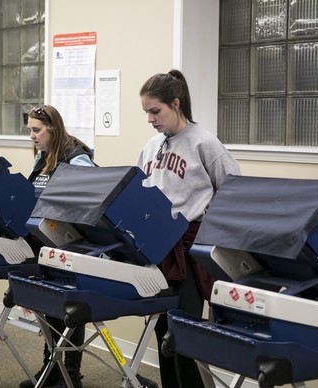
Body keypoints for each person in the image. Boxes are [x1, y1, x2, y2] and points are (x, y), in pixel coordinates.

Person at [137, 69, 241, 388]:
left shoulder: (205, 143)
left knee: (184, 332)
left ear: (176, 104)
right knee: (162, 330)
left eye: (156, 111)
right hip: (157, 247)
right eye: (147, 113)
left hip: (189, 248)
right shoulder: (150, 148)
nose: (151, 119)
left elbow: (234, 190)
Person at [19, 105, 95, 388]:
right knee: (48, 307)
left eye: (36, 130)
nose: (31, 136)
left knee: (70, 312)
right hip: (44, 244)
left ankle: (71, 376)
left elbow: (89, 206)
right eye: (29, 130)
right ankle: (51, 369)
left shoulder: (78, 161)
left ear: (54, 129)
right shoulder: (42, 158)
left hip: (70, 248)